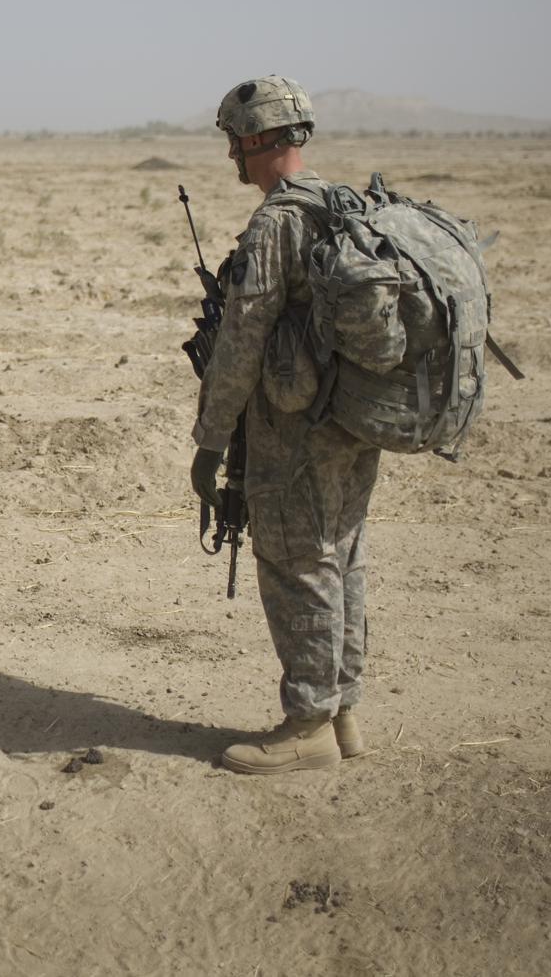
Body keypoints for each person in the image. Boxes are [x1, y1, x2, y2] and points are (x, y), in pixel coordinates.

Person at [189, 75, 378, 774]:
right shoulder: (343, 202)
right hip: (353, 423)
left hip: (294, 433)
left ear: (263, 139)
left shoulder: (277, 222)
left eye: (237, 141)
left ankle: (307, 725)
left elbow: (240, 342)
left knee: (299, 566)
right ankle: (343, 709)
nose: (232, 155)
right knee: (343, 556)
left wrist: (210, 440)